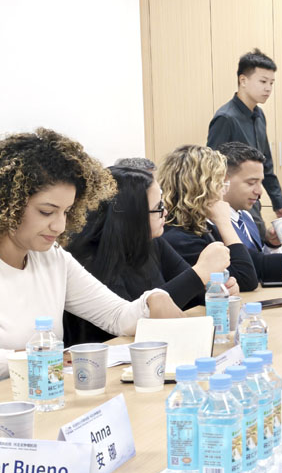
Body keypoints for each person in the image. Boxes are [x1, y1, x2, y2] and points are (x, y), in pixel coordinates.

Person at [0, 128, 182, 379]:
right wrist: (36, 356)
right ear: (9, 202)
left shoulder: (53, 258)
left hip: (45, 392)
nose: (59, 226)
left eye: (66, 212)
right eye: (46, 212)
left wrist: (152, 301)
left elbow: (115, 316)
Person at [64, 166, 236, 345]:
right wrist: (199, 273)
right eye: (158, 207)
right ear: (132, 217)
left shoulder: (152, 242)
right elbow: (133, 321)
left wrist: (217, 289)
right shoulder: (89, 260)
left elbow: (197, 297)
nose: (165, 212)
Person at [158, 145, 282, 289]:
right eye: (220, 184)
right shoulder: (180, 237)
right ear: (201, 189)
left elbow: (258, 263)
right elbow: (246, 278)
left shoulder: (202, 227)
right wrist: (224, 223)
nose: (223, 191)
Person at [207, 48, 282, 244]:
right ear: (243, 80)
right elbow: (211, 169)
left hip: (252, 200)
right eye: (263, 81)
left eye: (271, 83)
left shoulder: (259, 115)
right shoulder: (226, 118)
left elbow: (266, 163)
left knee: (265, 244)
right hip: (230, 207)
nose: (268, 88)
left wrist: (278, 202)